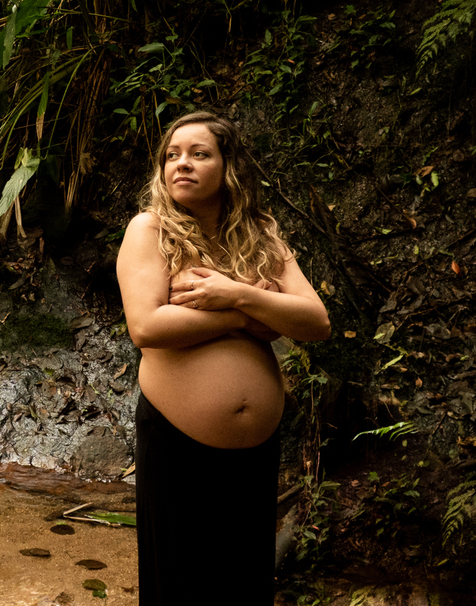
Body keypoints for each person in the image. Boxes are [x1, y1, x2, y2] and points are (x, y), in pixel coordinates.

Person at [116, 111, 330, 605]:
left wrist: (235, 294)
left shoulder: (261, 235)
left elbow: (316, 322)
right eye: (172, 155)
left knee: (243, 587)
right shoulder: (149, 230)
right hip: (176, 443)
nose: (182, 164)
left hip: (255, 451)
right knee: (181, 589)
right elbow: (147, 327)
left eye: (199, 154)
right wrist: (247, 314)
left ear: (228, 165)